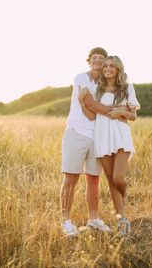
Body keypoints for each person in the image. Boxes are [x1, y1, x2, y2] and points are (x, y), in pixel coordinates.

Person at [79, 56, 140, 236]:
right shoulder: (97, 89)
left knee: (119, 179)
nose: (108, 68)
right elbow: (92, 115)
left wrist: (122, 111)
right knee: (111, 181)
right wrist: (83, 102)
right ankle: (123, 221)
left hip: (120, 135)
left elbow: (134, 116)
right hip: (102, 136)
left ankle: (125, 196)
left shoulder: (127, 88)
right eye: (106, 66)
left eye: (112, 66)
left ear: (118, 69)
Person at [61, 47, 114, 236]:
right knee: (71, 179)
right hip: (76, 132)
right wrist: (111, 110)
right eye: (94, 57)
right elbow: (91, 108)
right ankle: (66, 221)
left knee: (94, 179)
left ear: (106, 62)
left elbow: (93, 110)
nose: (98, 60)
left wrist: (93, 105)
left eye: (101, 58)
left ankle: (93, 220)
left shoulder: (106, 84)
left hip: (96, 136)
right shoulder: (80, 78)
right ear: (89, 61)